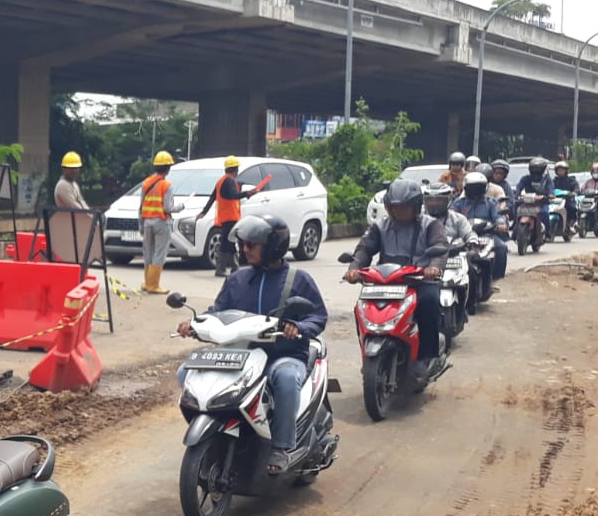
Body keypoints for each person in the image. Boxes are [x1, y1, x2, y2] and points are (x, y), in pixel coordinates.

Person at [177, 215, 328, 474]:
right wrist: (195, 324)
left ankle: (281, 447)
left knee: (286, 378)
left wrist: (298, 327)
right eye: (243, 244)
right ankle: (220, 429)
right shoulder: (238, 278)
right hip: (241, 354)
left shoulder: (298, 279)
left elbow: (318, 315)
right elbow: (218, 311)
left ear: (273, 246)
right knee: (186, 372)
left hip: (283, 354)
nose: (244, 249)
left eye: (251, 245)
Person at [345, 177, 448, 379]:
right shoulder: (380, 226)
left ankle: (426, 355)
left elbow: (439, 250)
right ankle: (368, 354)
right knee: (361, 308)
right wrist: (354, 268)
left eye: (404, 207)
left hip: (419, 281)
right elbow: (365, 249)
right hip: (386, 281)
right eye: (394, 206)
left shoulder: (431, 225)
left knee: (429, 301)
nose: (398, 211)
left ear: (416, 206)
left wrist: (433, 268)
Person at [195, 155, 255, 277]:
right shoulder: (230, 181)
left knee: (229, 242)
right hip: (230, 217)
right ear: (235, 169)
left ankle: (233, 268)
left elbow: (212, 197)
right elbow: (233, 195)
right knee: (228, 242)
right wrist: (247, 193)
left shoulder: (221, 181)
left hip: (225, 217)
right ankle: (224, 269)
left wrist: (204, 212)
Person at [139, 150, 183, 294]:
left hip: (147, 222)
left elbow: (141, 206)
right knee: (159, 253)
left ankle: (147, 283)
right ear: (168, 168)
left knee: (148, 253)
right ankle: (153, 285)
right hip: (161, 223)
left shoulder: (146, 183)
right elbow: (168, 207)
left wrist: (140, 224)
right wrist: (181, 207)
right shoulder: (166, 185)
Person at [452, 172, 509, 282]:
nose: (475, 191)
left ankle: (498, 278)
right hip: (465, 235)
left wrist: (501, 224)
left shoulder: (491, 202)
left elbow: (497, 215)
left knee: (501, 247)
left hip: (487, 234)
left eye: (478, 187)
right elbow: (452, 215)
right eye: (473, 187)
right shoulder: (459, 203)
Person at [515, 157, 557, 234]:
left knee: (544, 213)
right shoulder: (526, 178)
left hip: (542, 202)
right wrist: (516, 194)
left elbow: (550, 187)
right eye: (534, 169)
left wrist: (551, 194)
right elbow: (519, 186)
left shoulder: (546, 179)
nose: (536, 171)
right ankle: (515, 231)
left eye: (538, 169)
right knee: (517, 210)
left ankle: (548, 233)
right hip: (528, 202)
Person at [552, 160, 580, 233]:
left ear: (566, 171)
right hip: (556, 201)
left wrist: (574, 192)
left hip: (567, 200)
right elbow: (549, 188)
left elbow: (576, 187)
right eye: (559, 170)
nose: (560, 171)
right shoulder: (554, 181)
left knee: (572, 208)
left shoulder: (571, 180)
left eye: (562, 170)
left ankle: (572, 224)